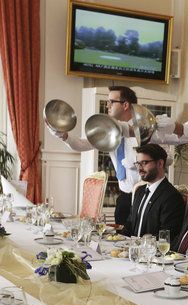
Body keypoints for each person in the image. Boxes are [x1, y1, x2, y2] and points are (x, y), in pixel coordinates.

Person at [48, 86, 140, 226]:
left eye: (111, 102)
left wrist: (133, 161)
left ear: (125, 105)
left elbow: (164, 158)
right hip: (124, 198)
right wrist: (63, 134)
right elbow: (81, 145)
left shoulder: (143, 130)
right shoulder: (109, 129)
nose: (107, 105)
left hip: (143, 197)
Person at [122, 144, 185, 241]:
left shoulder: (172, 196)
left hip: (152, 253)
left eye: (144, 162)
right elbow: (130, 223)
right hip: (131, 250)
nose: (139, 168)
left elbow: (167, 235)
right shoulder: (139, 191)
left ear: (160, 163)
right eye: (138, 163)